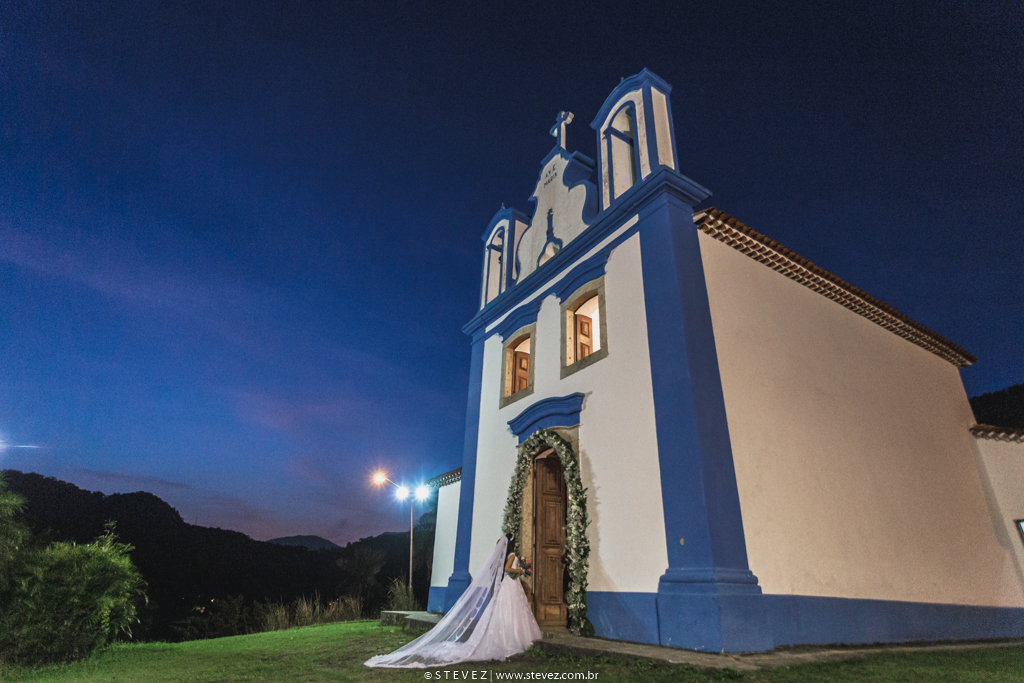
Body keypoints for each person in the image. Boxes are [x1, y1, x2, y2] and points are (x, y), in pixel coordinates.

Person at [365, 535, 542, 668]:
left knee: (508, 610)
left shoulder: (509, 555)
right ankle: (514, 638)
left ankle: (512, 636)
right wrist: (520, 571)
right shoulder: (512, 555)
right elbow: (508, 569)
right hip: (511, 584)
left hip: (509, 585)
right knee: (512, 610)